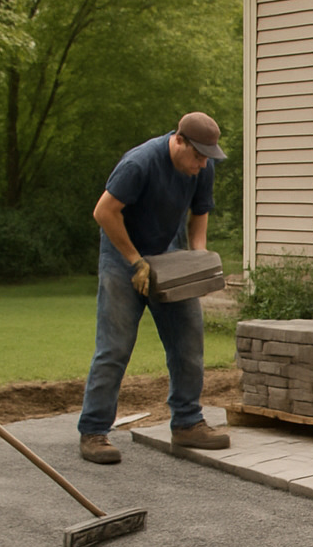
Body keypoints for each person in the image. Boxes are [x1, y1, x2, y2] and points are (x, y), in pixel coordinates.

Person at [77, 111, 231, 463]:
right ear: (178, 141)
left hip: (171, 257)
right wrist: (135, 261)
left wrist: (198, 260)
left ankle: (187, 423)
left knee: (188, 341)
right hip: (122, 259)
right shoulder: (140, 164)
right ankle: (94, 431)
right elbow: (104, 212)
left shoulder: (202, 167)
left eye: (208, 157)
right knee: (114, 348)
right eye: (197, 156)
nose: (202, 164)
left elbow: (200, 213)